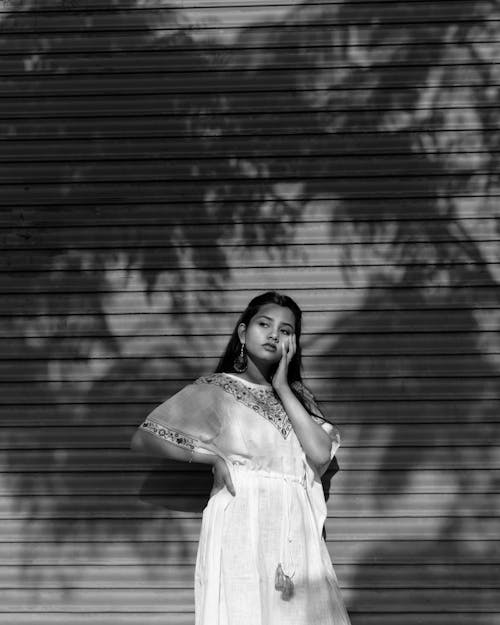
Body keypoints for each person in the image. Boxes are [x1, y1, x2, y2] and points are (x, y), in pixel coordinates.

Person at [131, 291, 352, 625]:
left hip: (294, 525)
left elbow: (320, 452)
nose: (274, 334)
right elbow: (145, 438)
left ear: (293, 343)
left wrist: (283, 386)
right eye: (265, 324)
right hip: (241, 517)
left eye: (286, 330)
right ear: (242, 333)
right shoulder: (217, 389)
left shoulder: (300, 398)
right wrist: (211, 459)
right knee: (243, 608)